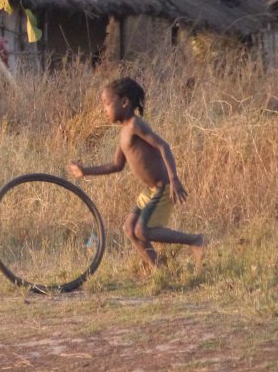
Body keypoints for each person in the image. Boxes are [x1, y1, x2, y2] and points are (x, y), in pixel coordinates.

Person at [67, 77, 206, 271]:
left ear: (124, 102)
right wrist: (85, 171)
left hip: (162, 187)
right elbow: (116, 165)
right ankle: (159, 270)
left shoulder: (135, 125)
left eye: (107, 104)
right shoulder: (124, 131)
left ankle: (195, 240)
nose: (104, 110)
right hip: (149, 191)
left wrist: (174, 178)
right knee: (129, 229)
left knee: (142, 230)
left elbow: (163, 146)